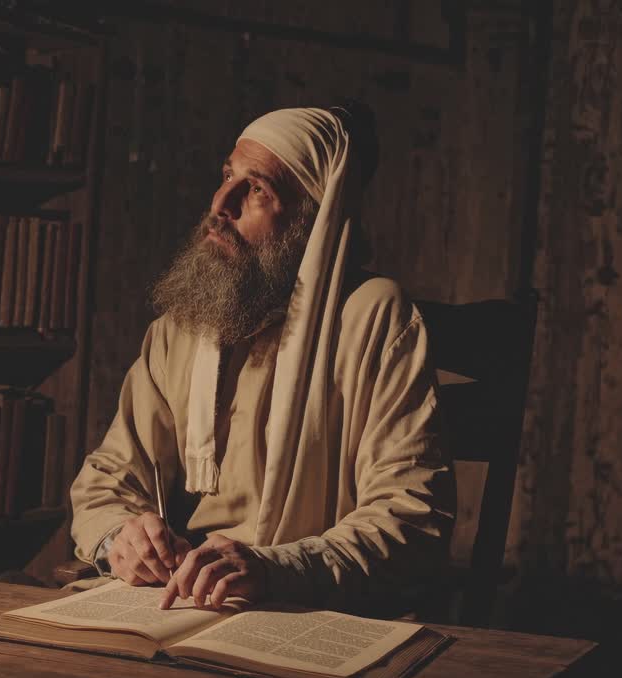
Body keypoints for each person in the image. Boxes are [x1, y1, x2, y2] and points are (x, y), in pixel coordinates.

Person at [68, 106, 456, 615]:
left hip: (295, 609)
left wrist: (276, 570)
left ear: (309, 222)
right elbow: (107, 480)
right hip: (172, 605)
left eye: (257, 190)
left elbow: (410, 517)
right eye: (228, 175)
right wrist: (122, 537)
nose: (221, 204)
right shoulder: (181, 326)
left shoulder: (372, 319)